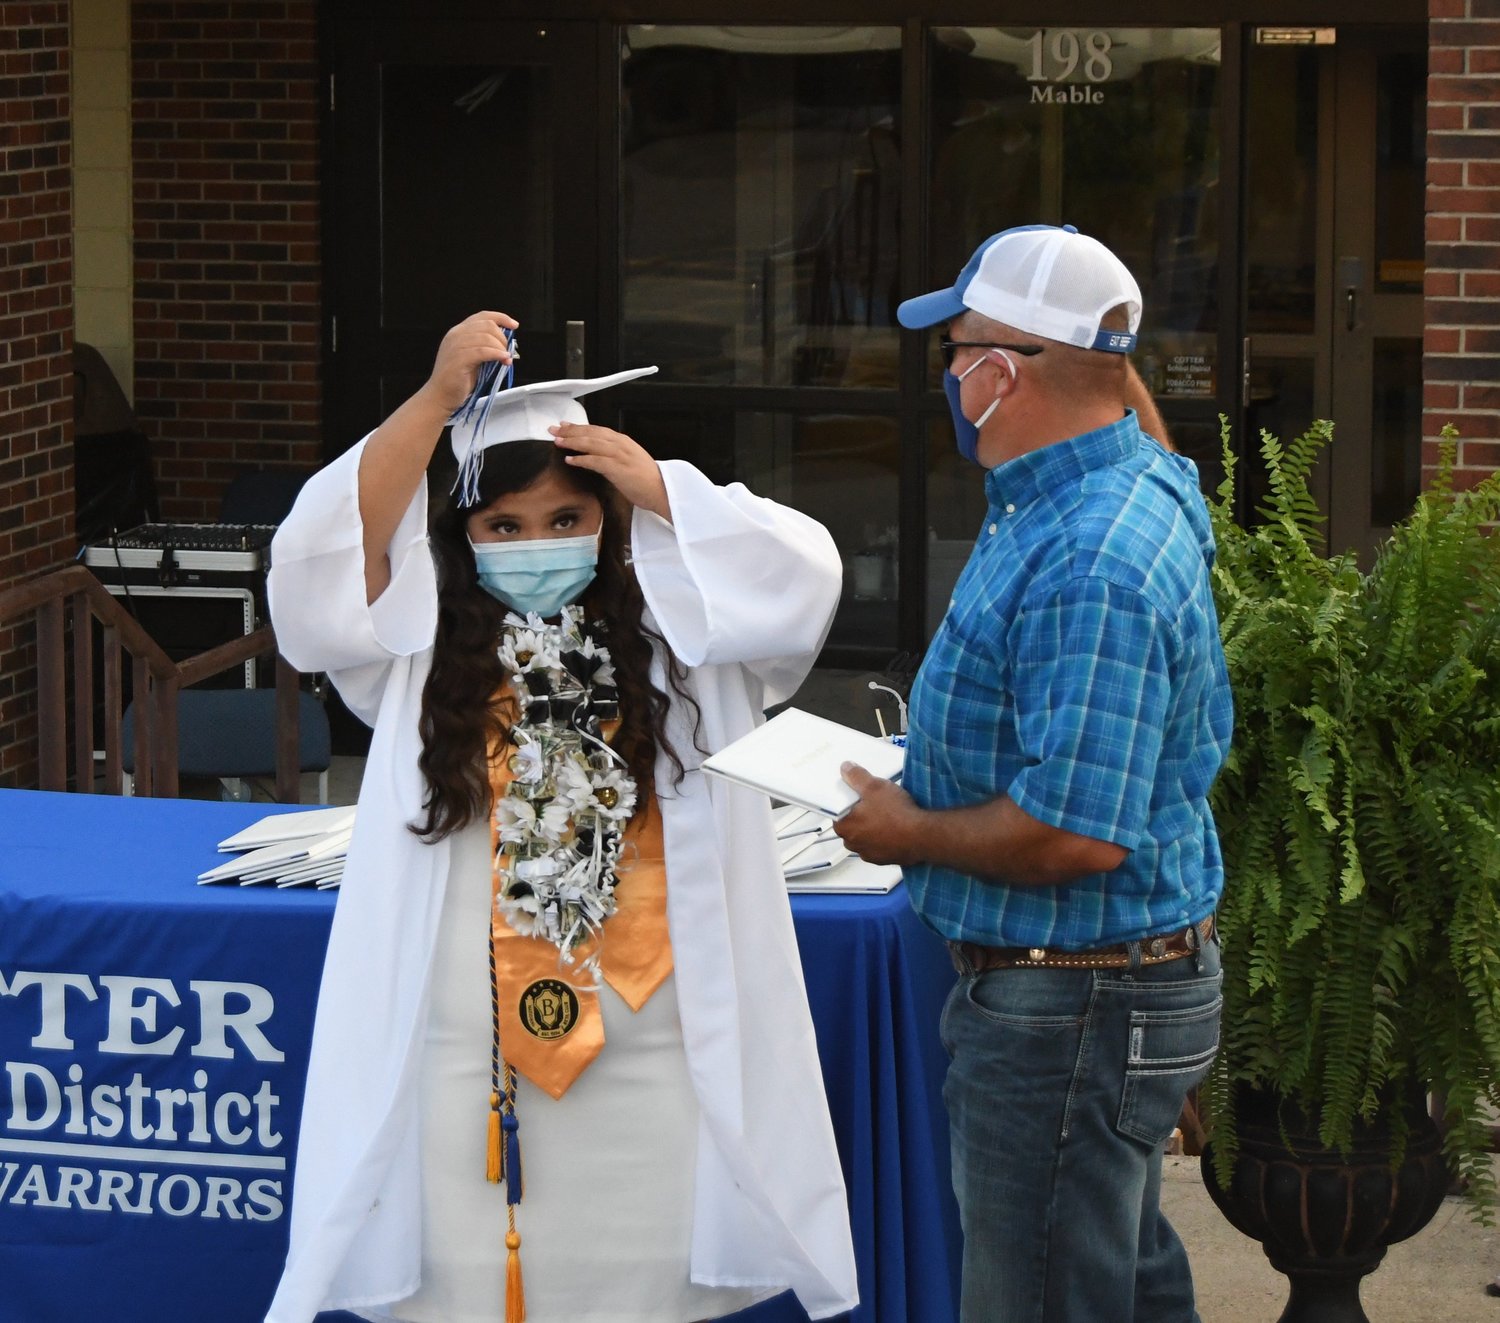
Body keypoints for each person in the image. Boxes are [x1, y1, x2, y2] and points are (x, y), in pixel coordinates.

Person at [262, 311, 858, 1323]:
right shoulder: (416, 655)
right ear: (463, 538)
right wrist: (437, 398)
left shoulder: (685, 644)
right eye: (503, 527)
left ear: (609, 522)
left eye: (565, 520)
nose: (535, 545)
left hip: (655, 1053)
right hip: (465, 1055)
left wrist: (660, 482)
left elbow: (801, 576)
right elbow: (321, 563)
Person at [834, 225, 1233, 1322]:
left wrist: (901, 825)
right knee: (1116, 1278)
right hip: (1096, 995)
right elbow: (1117, 389)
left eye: (957, 352)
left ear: (1002, 375)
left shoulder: (1088, 559)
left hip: (1072, 1001)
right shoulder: (1109, 477)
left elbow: (1075, 836)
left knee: (1044, 1298)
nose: (950, 376)